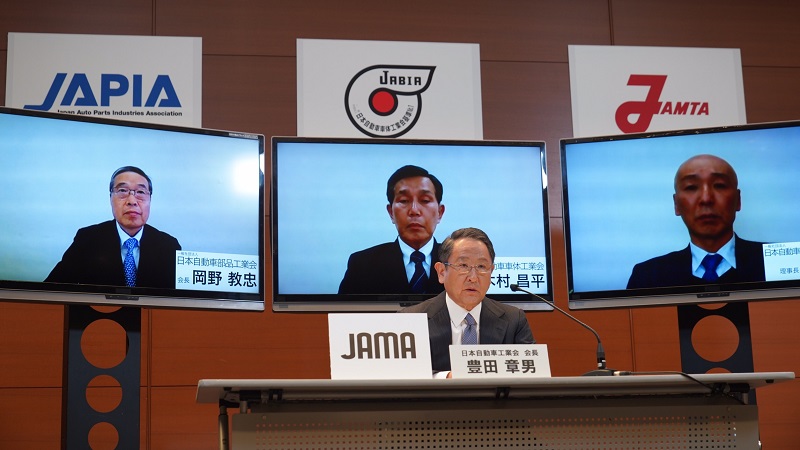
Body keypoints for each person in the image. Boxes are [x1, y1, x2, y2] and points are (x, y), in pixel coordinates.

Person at [399, 227, 534, 378]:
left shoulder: (514, 320)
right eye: (463, 266)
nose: (473, 278)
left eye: (481, 267)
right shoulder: (412, 320)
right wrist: (445, 378)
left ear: (491, 272)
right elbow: (402, 375)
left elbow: (531, 375)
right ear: (441, 272)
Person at [627, 154, 765, 289]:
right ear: (676, 204)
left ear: (738, 200)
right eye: (691, 187)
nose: (706, 199)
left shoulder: (772, 262)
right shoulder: (647, 276)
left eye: (719, 185)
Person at [45, 166, 181, 289]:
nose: (132, 201)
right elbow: (51, 290)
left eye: (140, 192)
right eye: (122, 191)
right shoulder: (87, 239)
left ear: (150, 199)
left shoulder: (169, 246)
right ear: (110, 198)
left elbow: (180, 299)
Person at [338, 165, 446, 295]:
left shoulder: (457, 262)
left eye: (425, 200)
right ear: (391, 213)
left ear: (440, 212)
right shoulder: (362, 265)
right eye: (404, 200)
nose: (414, 210)